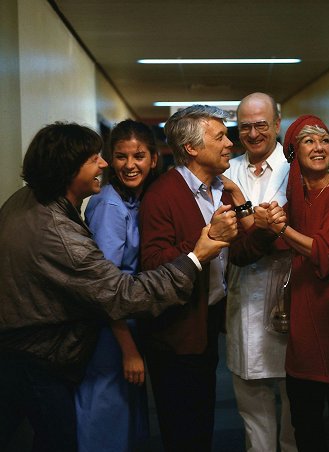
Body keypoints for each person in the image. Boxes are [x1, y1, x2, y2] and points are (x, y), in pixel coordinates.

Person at [0, 122, 228, 452]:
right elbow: (119, 295)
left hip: (27, 348)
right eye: (97, 158)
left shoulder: (29, 199)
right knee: (80, 432)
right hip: (40, 355)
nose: (106, 165)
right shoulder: (71, 227)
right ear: (68, 168)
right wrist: (195, 257)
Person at [139, 105, 278, 452]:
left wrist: (264, 231)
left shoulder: (218, 190)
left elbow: (238, 254)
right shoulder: (162, 195)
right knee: (181, 429)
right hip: (175, 335)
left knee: (202, 425)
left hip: (205, 327)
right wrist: (205, 240)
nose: (230, 143)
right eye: (220, 137)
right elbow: (153, 266)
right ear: (192, 148)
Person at [259, 115, 329, 452]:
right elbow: (271, 243)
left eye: (324, 140)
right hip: (304, 322)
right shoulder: (293, 198)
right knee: (305, 425)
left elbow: (328, 252)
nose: (320, 147)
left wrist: (279, 228)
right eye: (309, 141)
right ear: (293, 151)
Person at [75, 119, 158, 451]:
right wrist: (129, 350)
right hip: (111, 329)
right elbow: (104, 287)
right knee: (104, 415)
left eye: (138, 156)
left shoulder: (134, 199)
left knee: (123, 415)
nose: (130, 165)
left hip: (126, 319)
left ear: (153, 157)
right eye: (121, 157)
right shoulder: (110, 203)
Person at [223, 92, 296, 452]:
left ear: (277, 125)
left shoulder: (294, 166)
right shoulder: (227, 172)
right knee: (251, 406)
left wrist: (250, 221)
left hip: (288, 297)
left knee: (294, 401)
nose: (253, 134)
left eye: (261, 125)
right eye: (245, 127)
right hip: (242, 298)